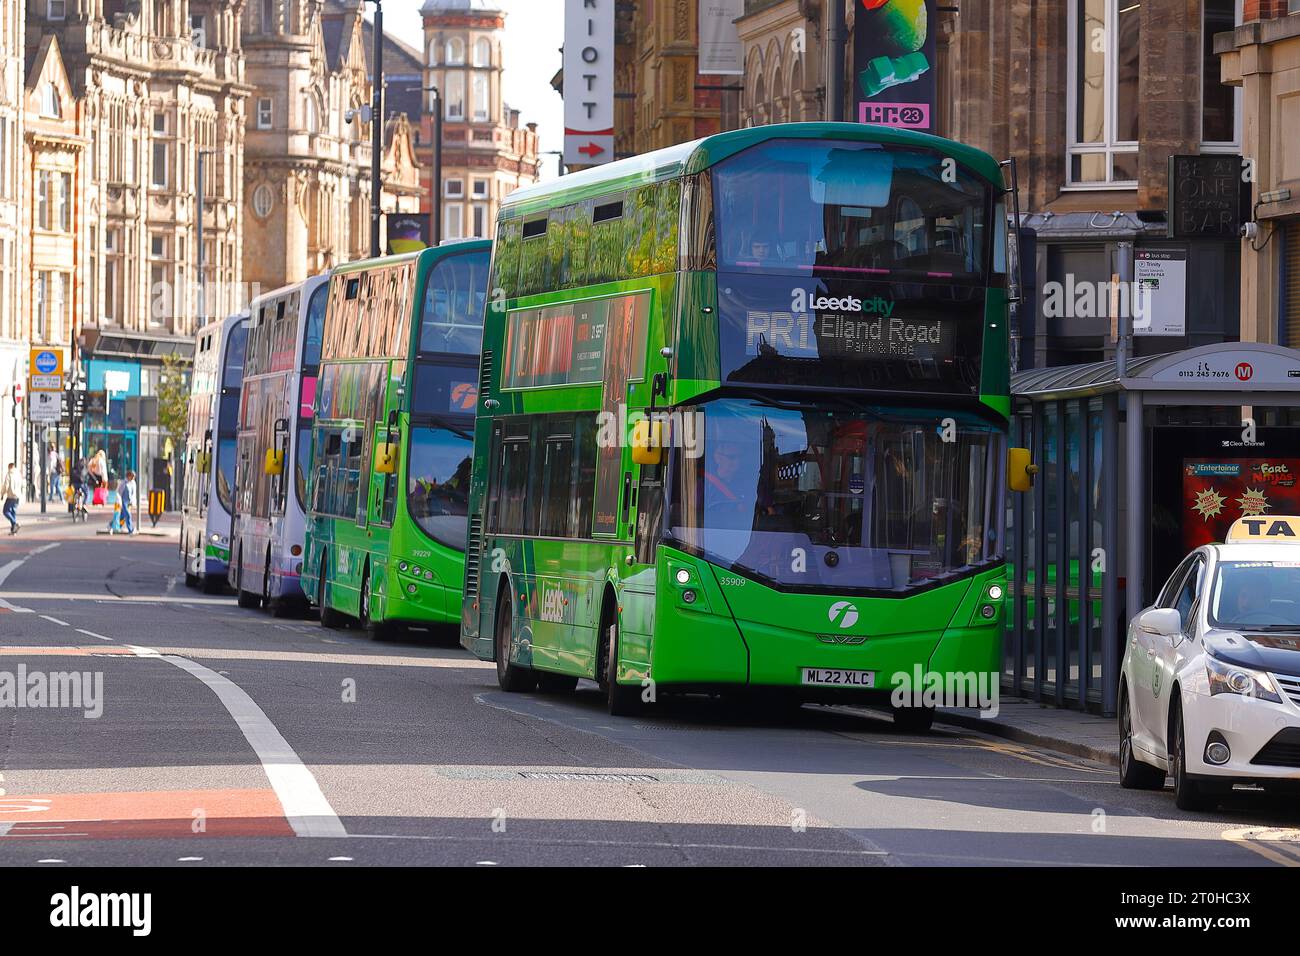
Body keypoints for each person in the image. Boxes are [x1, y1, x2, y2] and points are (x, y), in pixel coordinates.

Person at [109, 470, 137, 535]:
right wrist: (119, 502)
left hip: (128, 502)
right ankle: (131, 530)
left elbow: (133, 493)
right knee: (128, 515)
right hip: (123, 501)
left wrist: (133, 502)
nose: (133, 478)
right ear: (128, 476)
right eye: (132, 477)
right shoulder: (123, 483)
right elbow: (119, 493)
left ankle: (110, 525)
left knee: (122, 516)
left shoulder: (133, 483)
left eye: (134, 477)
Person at [2, 462, 20, 536]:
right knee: (13, 512)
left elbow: (6, 486)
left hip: (11, 496)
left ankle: (15, 523)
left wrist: (2, 494)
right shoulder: (18, 474)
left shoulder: (9, 474)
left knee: (5, 511)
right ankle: (14, 530)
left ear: (9, 467)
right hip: (17, 496)